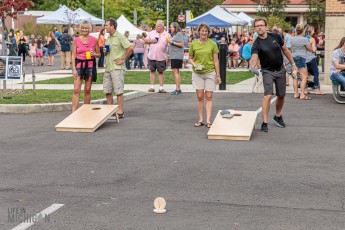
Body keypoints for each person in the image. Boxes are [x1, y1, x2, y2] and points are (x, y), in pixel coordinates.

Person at [249, 18, 297, 132]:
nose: (259, 27)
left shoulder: (276, 36)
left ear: (266, 27)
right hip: (267, 71)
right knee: (268, 95)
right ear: (255, 29)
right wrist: (252, 65)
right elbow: (254, 57)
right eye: (257, 26)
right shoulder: (256, 44)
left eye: (261, 25)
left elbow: (285, 50)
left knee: (281, 95)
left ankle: (277, 116)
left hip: (281, 70)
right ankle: (264, 122)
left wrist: (293, 64)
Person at [188, 23, 221, 128]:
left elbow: (216, 61)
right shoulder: (194, 44)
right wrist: (195, 65)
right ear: (199, 32)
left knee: (209, 96)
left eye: (206, 31)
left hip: (210, 72)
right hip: (197, 73)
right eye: (202, 30)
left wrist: (218, 75)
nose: (204, 33)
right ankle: (201, 119)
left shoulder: (213, 44)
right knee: (200, 96)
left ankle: (208, 120)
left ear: (208, 32)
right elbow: (190, 57)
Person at [104, 18, 134, 118]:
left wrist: (124, 59)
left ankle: (120, 111)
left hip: (117, 68)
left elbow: (130, 47)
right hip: (108, 67)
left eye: (106, 25)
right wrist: (105, 51)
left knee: (118, 90)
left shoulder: (120, 36)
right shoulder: (108, 38)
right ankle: (110, 111)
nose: (105, 27)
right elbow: (108, 51)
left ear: (112, 26)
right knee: (107, 90)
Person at [71, 21, 101, 112]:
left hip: (90, 65)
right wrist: (74, 68)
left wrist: (94, 54)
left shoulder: (94, 40)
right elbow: (73, 55)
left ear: (89, 29)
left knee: (87, 90)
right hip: (79, 65)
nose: (84, 30)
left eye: (86, 28)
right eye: (83, 28)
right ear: (80, 29)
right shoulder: (76, 40)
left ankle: (86, 111)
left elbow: (99, 54)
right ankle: (73, 112)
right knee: (76, 90)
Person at [143, 20, 171, 93]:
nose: (156, 27)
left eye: (158, 26)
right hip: (151, 55)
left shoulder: (167, 35)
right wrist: (152, 41)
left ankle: (161, 88)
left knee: (160, 72)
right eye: (156, 26)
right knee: (152, 71)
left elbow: (169, 45)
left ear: (162, 27)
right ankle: (152, 87)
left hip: (161, 56)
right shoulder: (151, 33)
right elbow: (145, 41)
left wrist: (168, 56)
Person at [291, 24, 314, 100]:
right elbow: (310, 49)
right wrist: (312, 48)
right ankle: (302, 94)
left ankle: (296, 93)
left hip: (293, 58)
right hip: (301, 58)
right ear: (303, 30)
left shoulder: (292, 39)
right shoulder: (304, 39)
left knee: (295, 77)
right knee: (304, 77)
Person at [304, 25, 325, 95]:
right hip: (311, 58)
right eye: (313, 30)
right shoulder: (312, 39)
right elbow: (314, 50)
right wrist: (317, 45)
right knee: (316, 73)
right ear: (310, 31)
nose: (314, 31)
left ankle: (305, 89)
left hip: (304, 59)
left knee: (305, 75)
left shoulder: (302, 38)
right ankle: (317, 89)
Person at [167, 22, 184, 95]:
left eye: (172, 27)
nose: (171, 28)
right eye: (170, 27)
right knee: (175, 72)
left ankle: (178, 89)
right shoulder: (174, 35)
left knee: (175, 71)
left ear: (175, 27)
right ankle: (177, 88)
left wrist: (171, 42)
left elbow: (182, 44)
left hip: (177, 56)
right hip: (173, 55)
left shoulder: (179, 34)